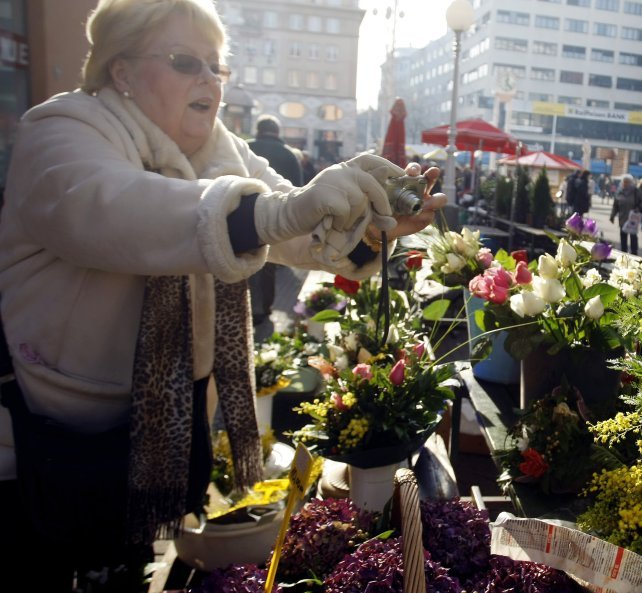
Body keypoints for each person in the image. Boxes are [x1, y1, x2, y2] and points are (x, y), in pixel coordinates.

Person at [0, 1, 446, 590]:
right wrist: (281, 210)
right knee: (46, 563)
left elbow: (295, 224)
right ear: (121, 71)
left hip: (158, 421)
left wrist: (371, 226)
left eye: (217, 67)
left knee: (128, 560)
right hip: (49, 429)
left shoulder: (218, 148)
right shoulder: (60, 130)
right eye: (187, 62)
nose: (210, 81)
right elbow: (115, 210)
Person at [247, 115, 304, 327]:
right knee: (268, 263)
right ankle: (263, 308)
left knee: (239, 263)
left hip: (240, 215)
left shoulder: (245, 148)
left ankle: (244, 307)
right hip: (277, 220)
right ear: (277, 132)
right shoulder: (289, 155)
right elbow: (298, 191)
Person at [609, 173, 642, 254]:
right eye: (624, 182)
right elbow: (615, 205)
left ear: (630, 182)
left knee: (633, 235)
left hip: (633, 217)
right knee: (623, 234)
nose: (625, 183)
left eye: (627, 182)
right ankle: (623, 251)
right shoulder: (619, 191)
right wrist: (612, 215)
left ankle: (634, 251)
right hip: (622, 217)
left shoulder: (636, 191)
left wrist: (638, 208)